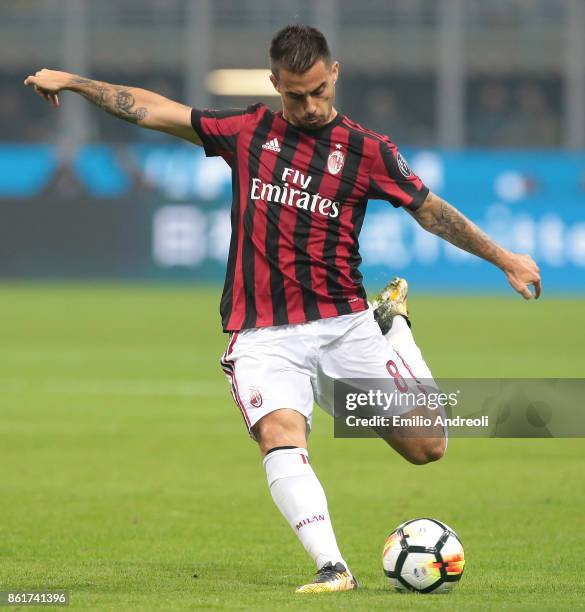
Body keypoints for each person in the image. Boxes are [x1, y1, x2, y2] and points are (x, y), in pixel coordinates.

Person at [24, 24, 541, 594]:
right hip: (263, 333)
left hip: (346, 326)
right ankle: (332, 567)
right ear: (275, 84)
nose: (310, 104)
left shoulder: (368, 151)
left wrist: (504, 258)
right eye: (295, 95)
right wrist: (72, 81)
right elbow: (150, 109)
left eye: (319, 90)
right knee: (280, 432)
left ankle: (393, 328)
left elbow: (429, 210)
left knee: (428, 447)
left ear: (334, 73)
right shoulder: (248, 132)